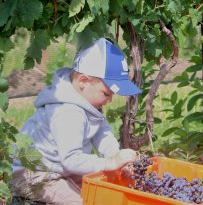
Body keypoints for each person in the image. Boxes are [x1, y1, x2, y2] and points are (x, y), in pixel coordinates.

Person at [11, 38, 142, 204]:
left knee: (102, 187)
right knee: (81, 202)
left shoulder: (85, 100)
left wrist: (114, 155)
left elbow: (102, 132)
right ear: (83, 82)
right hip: (35, 175)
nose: (109, 101)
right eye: (106, 94)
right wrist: (109, 163)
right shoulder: (67, 112)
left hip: (60, 169)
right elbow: (71, 159)